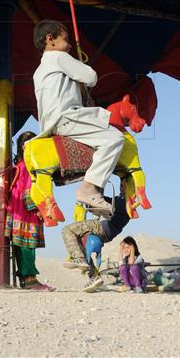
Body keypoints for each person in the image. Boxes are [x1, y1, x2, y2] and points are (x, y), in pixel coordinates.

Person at [32, 20, 124, 214]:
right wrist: (80, 64)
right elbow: (91, 77)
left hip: (52, 122)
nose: (70, 45)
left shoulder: (39, 70)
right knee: (114, 138)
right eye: (66, 40)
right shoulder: (58, 57)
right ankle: (89, 188)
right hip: (66, 116)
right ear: (51, 39)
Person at [5, 132, 53, 291]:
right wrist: (39, 209)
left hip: (18, 208)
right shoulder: (27, 165)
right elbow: (28, 190)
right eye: (26, 142)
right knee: (27, 245)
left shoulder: (22, 164)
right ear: (21, 146)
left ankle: (27, 279)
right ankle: (30, 280)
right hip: (26, 209)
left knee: (22, 244)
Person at [61, 194, 131, 269]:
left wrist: (91, 194)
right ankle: (93, 276)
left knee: (67, 230)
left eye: (124, 185)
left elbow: (106, 202)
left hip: (102, 227)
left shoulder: (124, 201)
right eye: (121, 185)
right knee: (81, 244)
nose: (122, 187)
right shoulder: (124, 201)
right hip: (107, 234)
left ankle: (79, 258)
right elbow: (105, 200)